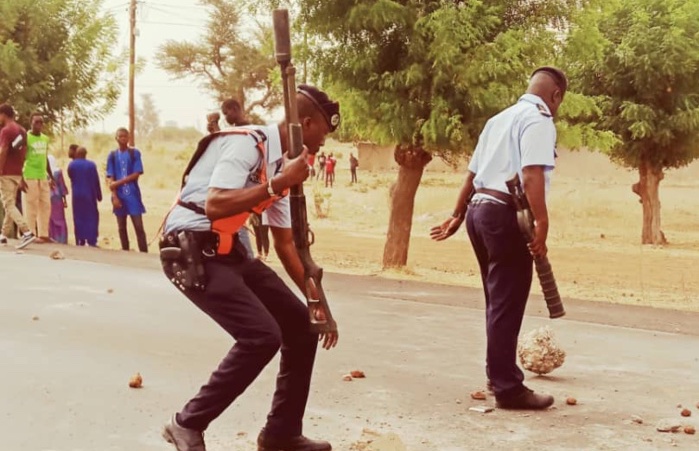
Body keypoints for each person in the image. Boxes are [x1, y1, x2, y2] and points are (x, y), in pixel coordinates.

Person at [159, 84, 340, 451]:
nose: (323, 143)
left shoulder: (282, 167)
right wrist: (277, 185)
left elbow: (286, 245)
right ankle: (186, 424)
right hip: (190, 248)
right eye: (322, 134)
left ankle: (281, 434)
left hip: (231, 251)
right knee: (261, 336)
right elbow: (215, 204)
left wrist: (319, 306)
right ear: (305, 123)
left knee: (301, 328)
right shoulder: (248, 143)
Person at [430, 67, 567, 410]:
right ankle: (507, 387)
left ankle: (497, 376)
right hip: (505, 215)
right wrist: (542, 222)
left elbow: (471, 175)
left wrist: (457, 214)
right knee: (507, 301)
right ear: (556, 96)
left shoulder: (499, 119)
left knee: (497, 300)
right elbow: (531, 173)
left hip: (479, 211)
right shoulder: (539, 120)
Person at [106, 128, 148, 252]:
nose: (123, 139)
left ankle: (144, 252)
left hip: (133, 195)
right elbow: (110, 176)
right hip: (119, 195)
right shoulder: (112, 155)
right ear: (116, 138)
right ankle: (125, 252)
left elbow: (137, 173)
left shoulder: (134, 153)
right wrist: (114, 196)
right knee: (121, 227)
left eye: (125, 136)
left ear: (129, 138)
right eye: (120, 136)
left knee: (138, 226)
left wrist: (117, 183)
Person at [0, 103, 35, 249]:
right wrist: (20, 171)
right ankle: (3, 235)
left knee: (8, 204)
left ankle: (27, 232)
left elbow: (3, 151)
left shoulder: (6, 130)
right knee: (11, 203)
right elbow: (23, 152)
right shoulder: (21, 130)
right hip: (16, 172)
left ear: (3, 115)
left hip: (6, 172)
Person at [23, 113, 55, 243]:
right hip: (30, 175)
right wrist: (21, 177)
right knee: (31, 205)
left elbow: (45, 157)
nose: (39, 125)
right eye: (36, 122)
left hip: (42, 176)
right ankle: (30, 233)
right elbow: (20, 157)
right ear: (31, 122)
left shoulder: (45, 139)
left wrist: (51, 176)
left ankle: (43, 234)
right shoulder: (26, 137)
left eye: (41, 122)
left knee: (45, 205)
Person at [68, 146, 102, 246]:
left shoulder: (72, 165)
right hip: (89, 194)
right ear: (85, 154)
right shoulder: (92, 165)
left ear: (77, 154)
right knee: (91, 216)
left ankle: (80, 239)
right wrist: (99, 195)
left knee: (78, 216)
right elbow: (96, 181)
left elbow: (71, 177)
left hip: (77, 195)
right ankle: (92, 240)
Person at [47, 155, 69, 244]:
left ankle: (52, 237)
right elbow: (62, 187)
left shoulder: (44, 173)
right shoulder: (58, 172)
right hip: (57, 198)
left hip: (47, 197)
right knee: (60, 219)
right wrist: (65, 201)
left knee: (50, 219)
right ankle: (62, 239)